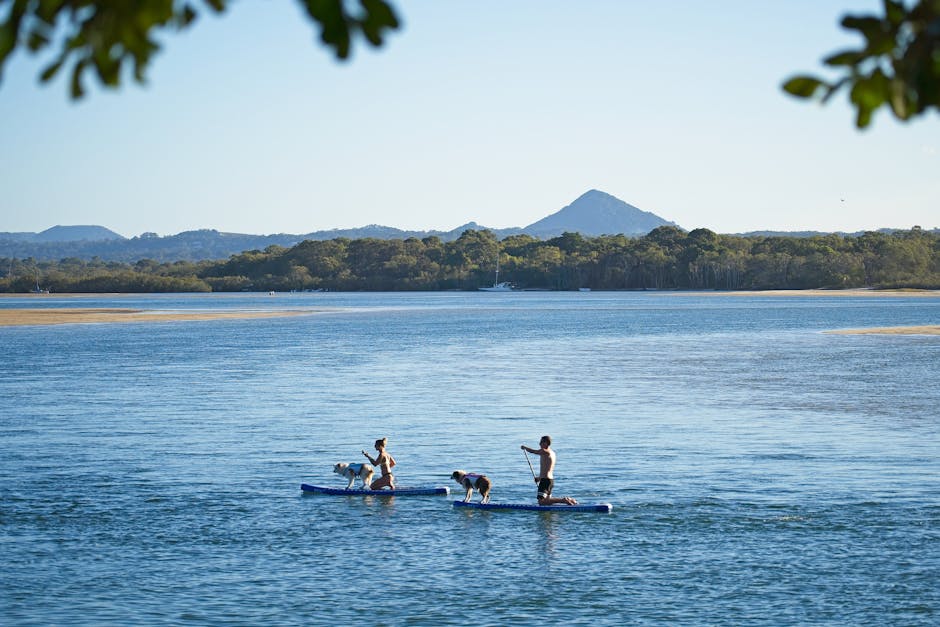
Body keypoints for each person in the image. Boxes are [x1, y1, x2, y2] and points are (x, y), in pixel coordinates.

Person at [521, 435, 577, 505]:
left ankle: (563, 500)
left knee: (541, 502)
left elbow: (533, 451)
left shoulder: (545, 451)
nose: (539, 444)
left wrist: (524, 447)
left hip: (545, 481)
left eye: (541, 442)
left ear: (546, 443)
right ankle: (571, 500)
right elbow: (546, 469)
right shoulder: (552, 453)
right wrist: (539, 478)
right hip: (550, 481)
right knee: (547, 501)